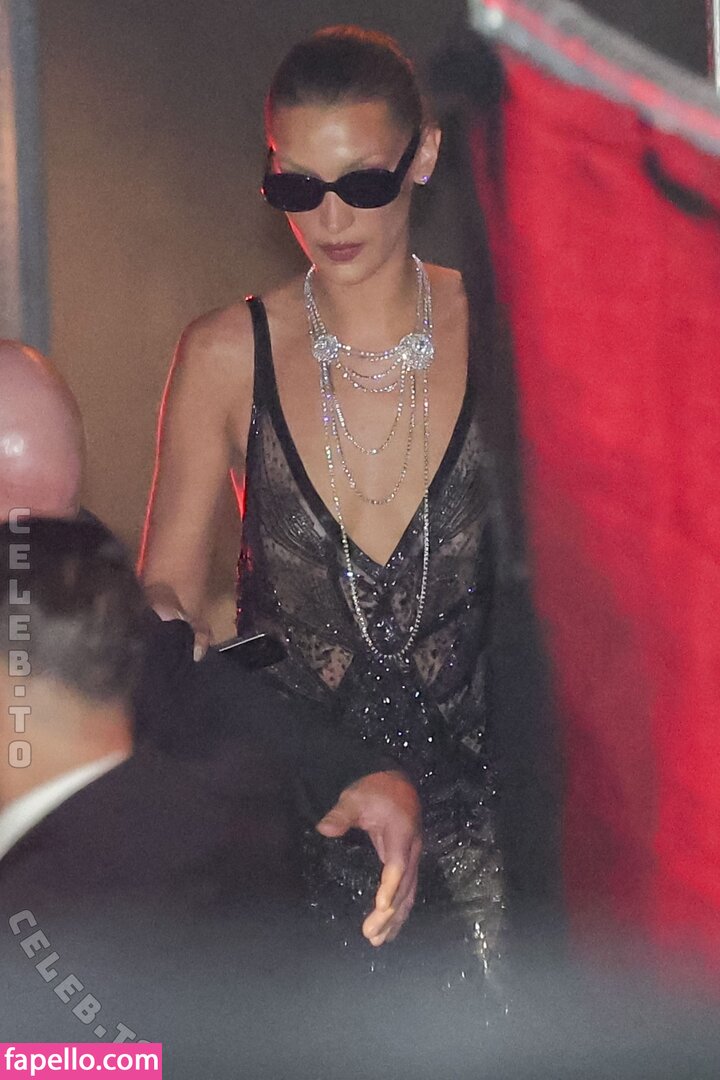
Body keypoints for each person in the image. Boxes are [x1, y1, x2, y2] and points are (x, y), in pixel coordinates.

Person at [141, 26, 504, 977]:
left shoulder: (505, 334)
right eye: (297, 187)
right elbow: (165, 588)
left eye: (363, 183)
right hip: (301, 820)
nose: (331, 217)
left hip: (494, 847)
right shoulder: (226, 355)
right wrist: (163, 626)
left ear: (423, 156)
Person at [0, 337, 422, 947]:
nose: (32, 560)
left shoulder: (69, 569)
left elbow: (182, 680)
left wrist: (355, 773)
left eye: (56, 524)